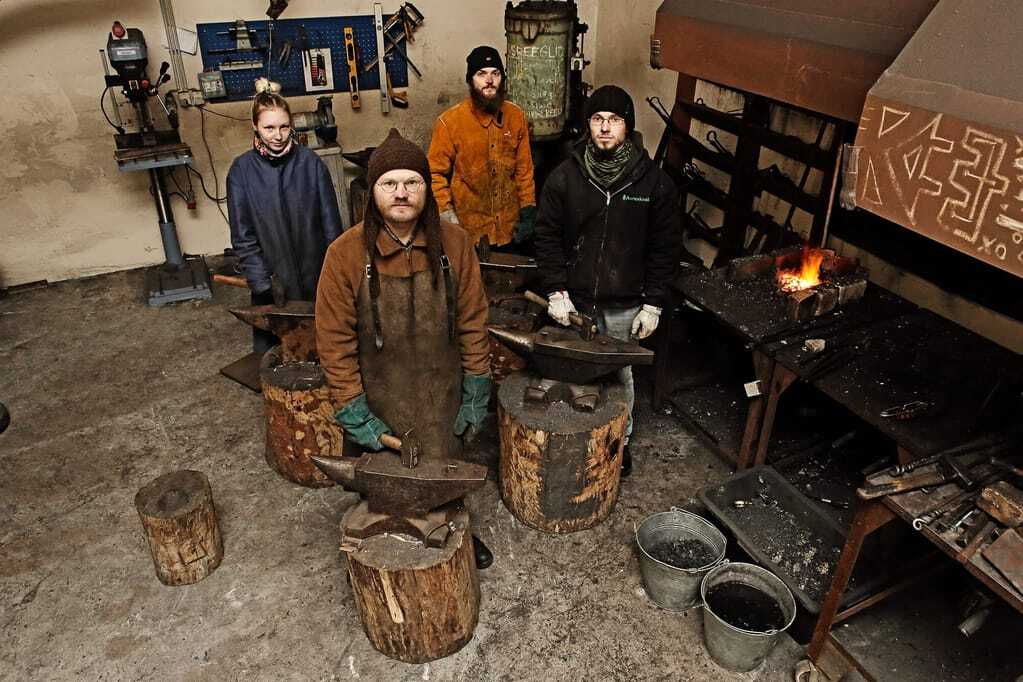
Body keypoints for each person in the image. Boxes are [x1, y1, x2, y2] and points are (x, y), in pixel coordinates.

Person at [315, 129, 494, 568]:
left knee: (443, 471)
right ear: (372, 192)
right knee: (385, 482)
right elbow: (334, 342)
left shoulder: (456, 244)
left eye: (412, 182)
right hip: (380, 396)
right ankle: (381, 543)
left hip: (441, 392)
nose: (401, 193)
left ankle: (455, 530)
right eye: (389, 183)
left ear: (426, 189)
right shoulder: (344, 255)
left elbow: (473, 321)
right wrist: (353, 408)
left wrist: (476, 385)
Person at [534, 85, 682, 477]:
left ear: (627, 126)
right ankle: (573, 444)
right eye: (597, 119)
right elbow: (546, 236)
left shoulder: (654, 184)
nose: (604, 128)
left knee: (620, 377)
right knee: (569, 371)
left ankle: (619, 443)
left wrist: (653, 303)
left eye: (614, 120)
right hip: (574, 301)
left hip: (624, 305)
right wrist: (556, 290)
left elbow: (664, 248)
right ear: (588, 125)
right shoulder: (564, 177)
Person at [227, 89, 343, 352]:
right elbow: (243, 235)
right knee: (277, 355)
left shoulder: (311, 164)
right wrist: (261, 281)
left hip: (315, 274)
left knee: (326, 347)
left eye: (284, 127)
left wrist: (335, 273)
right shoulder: (241, 171)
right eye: (269, 128)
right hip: (273, 281)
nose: (277, 136)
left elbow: (331, 226)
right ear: (254, 126)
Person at [427, 45, 536, 248]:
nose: (489, 80)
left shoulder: (516, 117)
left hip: (509, 228)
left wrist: (528, 209)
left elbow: (524, 171)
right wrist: (448, 218)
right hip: (469, 230)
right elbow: (435, 174)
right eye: (481, 74)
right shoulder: (449, 123)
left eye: (496, 73)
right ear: (470, 80)